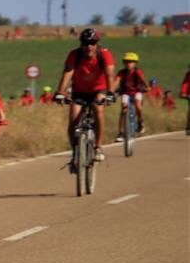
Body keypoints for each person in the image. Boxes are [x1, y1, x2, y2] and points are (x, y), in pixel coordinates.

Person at [54, 28, 116, 165]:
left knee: (98, 108)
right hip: (79, 91)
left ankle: (98, 147)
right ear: (81, 44)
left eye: (92, 43)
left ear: (97, 43)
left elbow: (109, 75)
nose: (89, 46)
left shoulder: (104, 54)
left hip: (99, 90)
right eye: (85, 43)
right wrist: (60, 92)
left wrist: (111, 93)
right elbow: (68, 73)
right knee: (73, 123)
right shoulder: (74, 55)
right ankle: (76, 153)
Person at [114, 52, 149, 136]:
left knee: (138, 105)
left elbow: (143, 79)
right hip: (125, 92)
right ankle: (121, 132)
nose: (128, 64)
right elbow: (116, 81)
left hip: (137, 91)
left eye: (130, 62)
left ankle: (140, 122)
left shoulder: (137, 71)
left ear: (135, 63)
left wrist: (147, 87)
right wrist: (111, 90)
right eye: (126, 62)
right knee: (123, 109)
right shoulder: (121, 72)